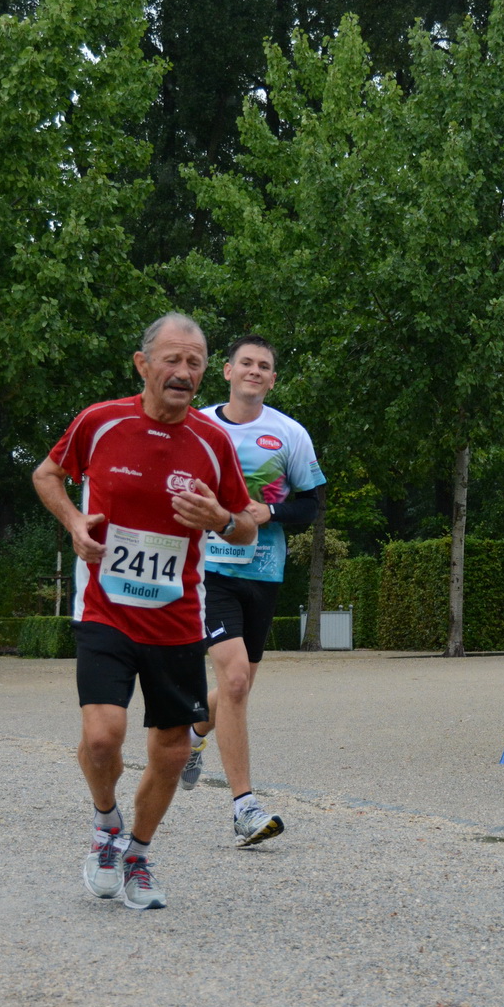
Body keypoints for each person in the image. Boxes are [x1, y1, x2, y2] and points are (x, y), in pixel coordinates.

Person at [32, 312, 254, 911]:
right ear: (143, 364)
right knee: (103, 736)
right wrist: (74, 521)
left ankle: (137, 852)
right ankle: (106, 827)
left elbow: (248, 524)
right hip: (105, 608)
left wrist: (223, 522)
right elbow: (47, 474)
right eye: (173, 360)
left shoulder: (213, 443)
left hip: (178, 618)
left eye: (196, 363)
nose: (184, 373)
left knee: (174, 751)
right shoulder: (100, 422)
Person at [184, 335, 325, 846]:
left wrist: (271, 511)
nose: (254, 371)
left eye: (264, 366)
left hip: (264, 573)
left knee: (239, 685)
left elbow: (310, 505)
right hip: (205, 572)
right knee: (237, 681)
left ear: (272, 378)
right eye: (246, 362)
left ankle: (193, 732)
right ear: (226, 370)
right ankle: (244, 806)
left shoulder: (290, 434)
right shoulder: (196, 425)